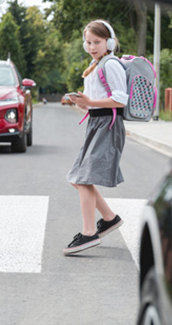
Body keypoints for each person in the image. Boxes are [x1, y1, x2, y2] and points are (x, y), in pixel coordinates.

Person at [64, 20, 127, 255]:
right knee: (77, 177)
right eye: (88, 42)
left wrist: (90, 102)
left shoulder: (111, 64)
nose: (92, 46)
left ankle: (89, 233)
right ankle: (109, 218)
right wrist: (84, 103)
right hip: (96, 123)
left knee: (82, 178)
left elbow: (121, 99)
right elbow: (96, 102)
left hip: (108, 126)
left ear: (109, 42)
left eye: (97, 42)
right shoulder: (95, 64)